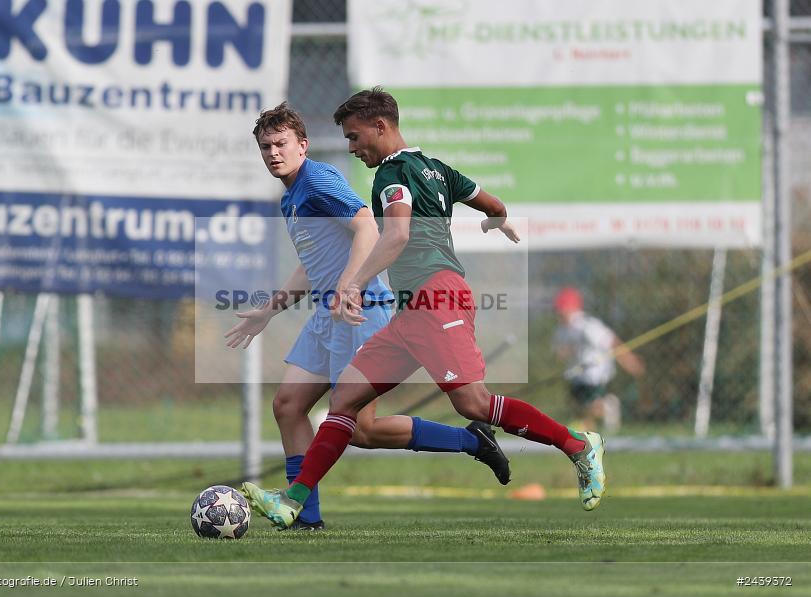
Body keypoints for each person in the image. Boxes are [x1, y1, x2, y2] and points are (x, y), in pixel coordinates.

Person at [242, 88, 607, 529]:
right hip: (410, 310)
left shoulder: (391, 177)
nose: (353, 149)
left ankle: (576, 445)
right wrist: (500, 220)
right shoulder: (437, 168)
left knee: (473, 403)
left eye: (356, 138)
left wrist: (352, 285)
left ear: (381, 127)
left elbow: (392, 235)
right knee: (345, 400)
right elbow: (490, 203)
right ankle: (294, 502)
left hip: (437, 298)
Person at [224, 102, 510, 530]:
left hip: (360, 310)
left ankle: (471, 440)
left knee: (362, 429)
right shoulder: (292, 198)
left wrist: (350, 284)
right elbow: (312, 263)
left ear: (303, 145)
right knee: (287, 405)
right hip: (329, 313)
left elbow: (366, 226)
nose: (273, 154)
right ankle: (305, 520)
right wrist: (268, 310)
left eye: (281, 144)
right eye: (265, 147)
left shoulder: (318, 179)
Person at [552, 287, 645, 434]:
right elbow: (559, 353)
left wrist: (630, 361)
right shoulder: (561, 330)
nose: (559, 312)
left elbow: (612, 342)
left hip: (595, 374)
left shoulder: (588, 325)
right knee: (582, 410)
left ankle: (608, 406)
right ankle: (588, 436)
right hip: (575, 375)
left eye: (563, 308)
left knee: (593, 406)